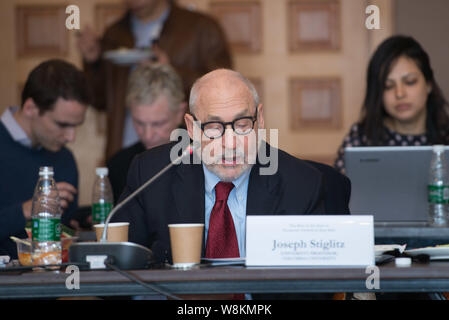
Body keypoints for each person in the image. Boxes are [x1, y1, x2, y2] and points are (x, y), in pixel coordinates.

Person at [112, 69, 350, 266]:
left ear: (261, 119)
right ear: (192, 128)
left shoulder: (302, 184)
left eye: (242, 124)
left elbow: (313, 287)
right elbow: (118, 270)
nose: (230, 143)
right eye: (214, 127)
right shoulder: (151, 174)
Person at [77, 0, 233, 160]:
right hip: (126, 154)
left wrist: (171, 72)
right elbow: (100, 101)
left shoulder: (202, 28)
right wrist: (93, 62)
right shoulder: (114, 34)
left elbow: (224, 93)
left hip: (185, 155)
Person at [0, 59, 90, 259]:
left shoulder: (64, 159)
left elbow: (59, 239)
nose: (71, 137)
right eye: (62, 124)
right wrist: (24, 211)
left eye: (76, 126)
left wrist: (81, 221)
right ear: (31, 108)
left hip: (49, 285)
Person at [334, 35, 449, 174]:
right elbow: (340, 191)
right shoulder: (361, 138)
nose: (399, 93)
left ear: (429, 84)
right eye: (388, 86)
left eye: (410, 82)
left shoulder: (445, 134)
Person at [107, 63, 186, 203]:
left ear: (180, 113)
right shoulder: (119, 165)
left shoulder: (203, 159)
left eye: (158, 124)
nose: (148, 135)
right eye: (139, 123)